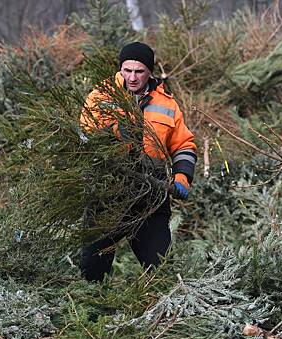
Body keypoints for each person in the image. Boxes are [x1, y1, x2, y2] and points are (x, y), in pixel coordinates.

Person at [79, 42, 197, 282]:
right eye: (127, 70)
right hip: (108, 193)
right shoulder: (101, 96)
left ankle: (161, 311)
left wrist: (183, 175)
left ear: (150, 72)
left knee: (160, 269)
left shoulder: (167, 103)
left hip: (151, 196)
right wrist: (115, 131)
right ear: (120, 69)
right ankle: (91, 308)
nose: (132, 77)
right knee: (92, 268)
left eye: (139, 71)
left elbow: (184, 144)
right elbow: (85, 133)